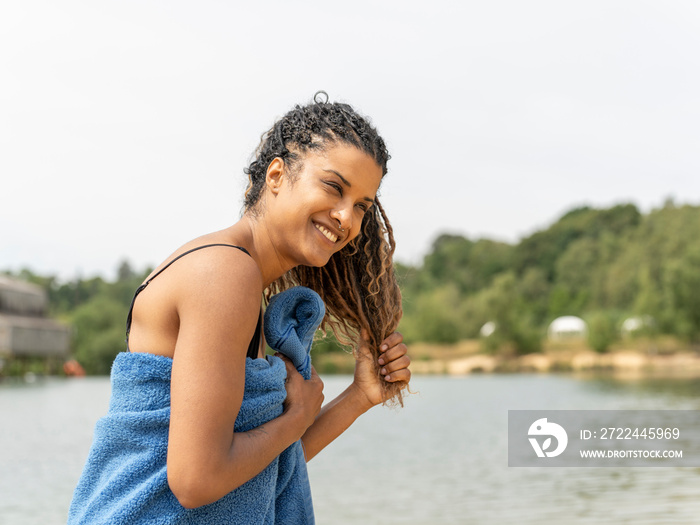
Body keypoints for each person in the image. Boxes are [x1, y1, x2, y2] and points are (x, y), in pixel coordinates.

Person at [68, 92, 411, 524]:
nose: (346, 217)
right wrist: (296, 415)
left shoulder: (242, 282)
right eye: (333, 187)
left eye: (361, 206)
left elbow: (256, 470)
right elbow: (198, 480)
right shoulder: (225, 272)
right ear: (276, 175)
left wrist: (359, 398)